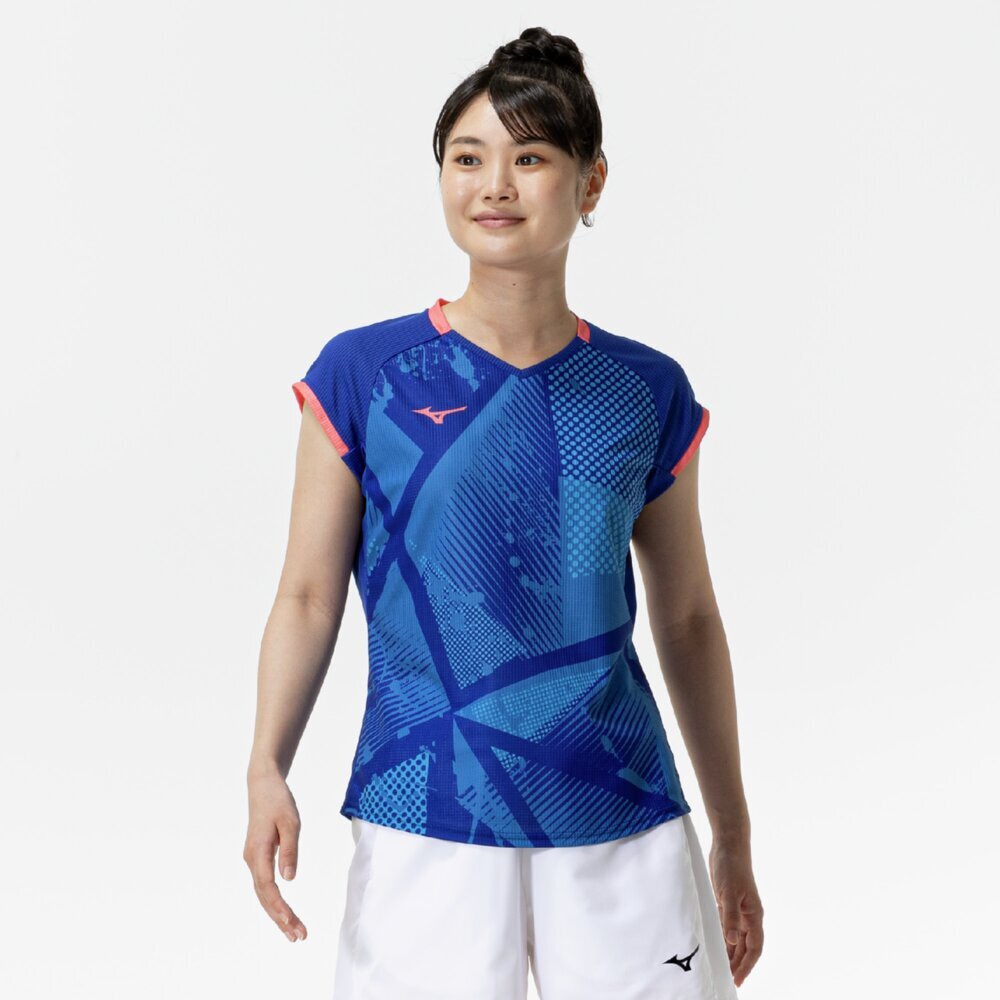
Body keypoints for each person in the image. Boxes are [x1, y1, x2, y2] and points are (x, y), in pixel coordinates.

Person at [244, 25, 763, 1000]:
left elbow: (689, 615)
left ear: (590, 182)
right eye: (467, 158)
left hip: (621, 809)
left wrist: (731, 832)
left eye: (530, 159)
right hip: (425, 804)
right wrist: (266, 764)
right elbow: (308, 595)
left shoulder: (644, 390)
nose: (494, 186)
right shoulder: (365, 375)